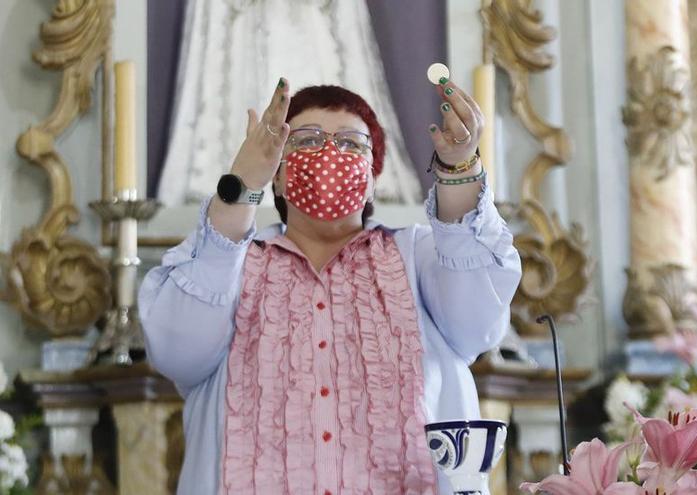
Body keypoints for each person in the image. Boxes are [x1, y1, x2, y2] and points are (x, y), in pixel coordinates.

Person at [139, 77, 522, 494]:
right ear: (279, 178)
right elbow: (178, 353)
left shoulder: (419, 257)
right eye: (305, 142)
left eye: (352, 144)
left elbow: (477, 324)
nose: (329, 153)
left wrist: (460, 166)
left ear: (372, 178)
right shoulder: (226, 260)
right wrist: (242, 185)